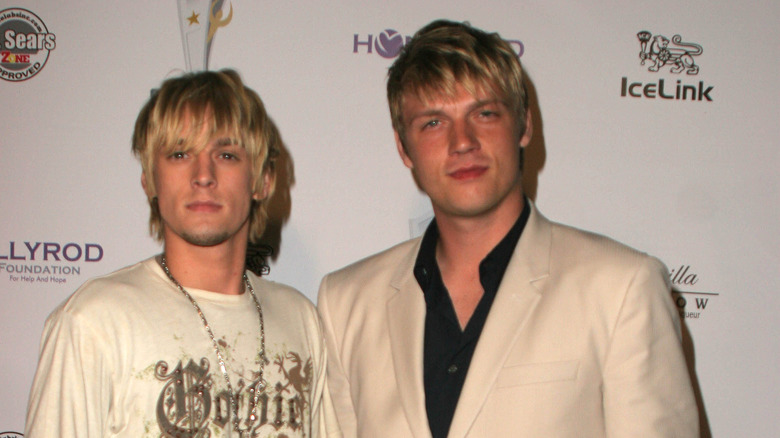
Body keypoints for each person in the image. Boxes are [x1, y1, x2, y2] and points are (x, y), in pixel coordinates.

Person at [317, 20, 698, 437]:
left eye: (484, 113)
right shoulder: (347, 303)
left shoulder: (621, 288)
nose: (463, 141)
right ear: (403, 148)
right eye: (433, 122)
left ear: (525, 125)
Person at [26, 69, 340, 438]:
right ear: (150, 179)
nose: (202, 175)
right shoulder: (93, 322)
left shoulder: (299, 317)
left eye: (225, 154)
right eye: (179, 153)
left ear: (262, 180)